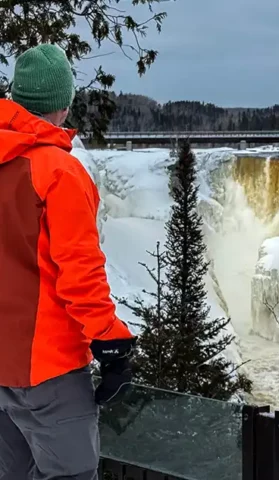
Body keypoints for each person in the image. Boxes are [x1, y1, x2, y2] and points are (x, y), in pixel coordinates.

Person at [0, 44, 136, 480]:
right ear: (63, 104)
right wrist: (110, 343)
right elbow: (80, 273)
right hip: (48, 369)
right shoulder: (58, 171)